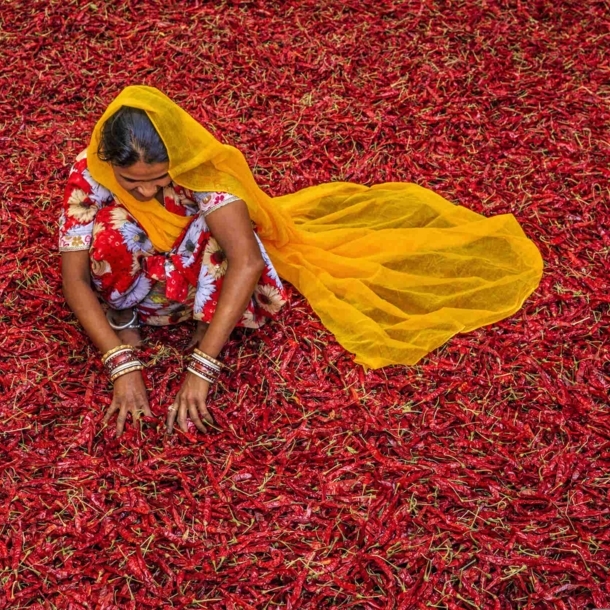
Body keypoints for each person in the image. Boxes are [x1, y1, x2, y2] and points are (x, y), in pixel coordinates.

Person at [60, 86, 543, 437]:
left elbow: (246, 262)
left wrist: (202, 365)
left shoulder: (201, 168)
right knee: (109, 230)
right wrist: (120, 363)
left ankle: (196, 322)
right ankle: (129, 320)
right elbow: (76, 277)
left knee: (219, 238)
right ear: (108, 162)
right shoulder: (90, 169)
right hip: (143, 278)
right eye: (130, 180)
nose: (145, 190)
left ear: (177, 160)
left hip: (195, 268)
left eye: (158, 179)